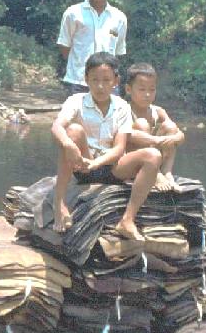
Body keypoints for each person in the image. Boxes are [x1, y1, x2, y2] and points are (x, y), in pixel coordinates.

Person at [51, 52, 162, 240]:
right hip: (81, 164)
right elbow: (56, 126)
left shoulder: (121, 107)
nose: (100, 86)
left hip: (112, 165)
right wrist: (68, 144)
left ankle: (127, 220)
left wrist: (97, 163)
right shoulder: (76, 101)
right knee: (74, 131)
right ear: (86, 79)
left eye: (106, 80)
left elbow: (119, 149)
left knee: (153, 155)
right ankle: (59, 203)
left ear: (116, 81)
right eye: (94, 80)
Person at [57, 0, 127, 97]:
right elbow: (65, 47)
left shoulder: (119, 18)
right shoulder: (73, 14)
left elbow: (118, 53)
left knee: (108, 119)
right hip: (79, 82)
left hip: (109, 85)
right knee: (77, 119)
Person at [125, 63, 185, 191]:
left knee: (170, 126)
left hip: (156, 157)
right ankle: (155, 174)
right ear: (129, 90)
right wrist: (155, 140)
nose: (147, 94)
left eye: (151, 90)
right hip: (136, 160)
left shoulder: (158, 111)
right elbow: (128, 136)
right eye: (142, 90)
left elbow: (179, 135)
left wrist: (176, 137)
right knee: (141, 124)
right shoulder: (123, 111)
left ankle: (166, 172)